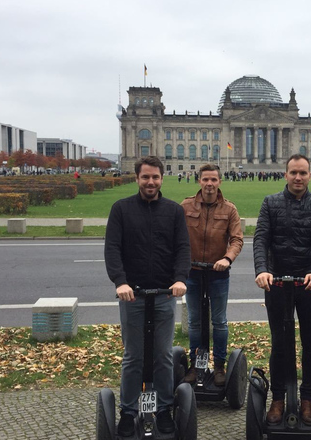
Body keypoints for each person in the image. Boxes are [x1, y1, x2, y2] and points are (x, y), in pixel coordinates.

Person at [104, 156, 191, 437]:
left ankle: (164, 408)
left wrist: (179, 279)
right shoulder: (121, 209)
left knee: (164, 356)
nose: (150, 182)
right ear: (137, 178)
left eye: (155, 177)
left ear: (162, 179)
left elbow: (182, 249)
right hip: (133, 296)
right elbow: (113, 250)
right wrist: (120, 282)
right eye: (145, 177)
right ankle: (128, 411)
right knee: (133, 357)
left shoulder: (174, 211)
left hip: (165, 295)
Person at [254, 154, 311, 427]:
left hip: (310, 283)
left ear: (310, 175)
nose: (298, 177)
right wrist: (262, 269)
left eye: (303, 173)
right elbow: (261, 238)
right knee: (280, 343)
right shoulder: (270, 202)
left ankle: (307, 396)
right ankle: (278, 397)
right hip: (277, 283)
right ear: (285, 174)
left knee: (310, 342)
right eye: (293, 172)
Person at [180, 163, 244, 386]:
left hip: (218, 274)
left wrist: (226, 259)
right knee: (195, 322)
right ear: (199, 181)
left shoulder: (229, 209)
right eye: (205, 179)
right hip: (193, 272)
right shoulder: (185, 206)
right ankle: (196, 364)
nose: (209, 184)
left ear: (219, 182)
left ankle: (218, 366)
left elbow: (236, 239)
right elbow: (175, 237)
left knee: (219, 321)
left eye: (213, 180)